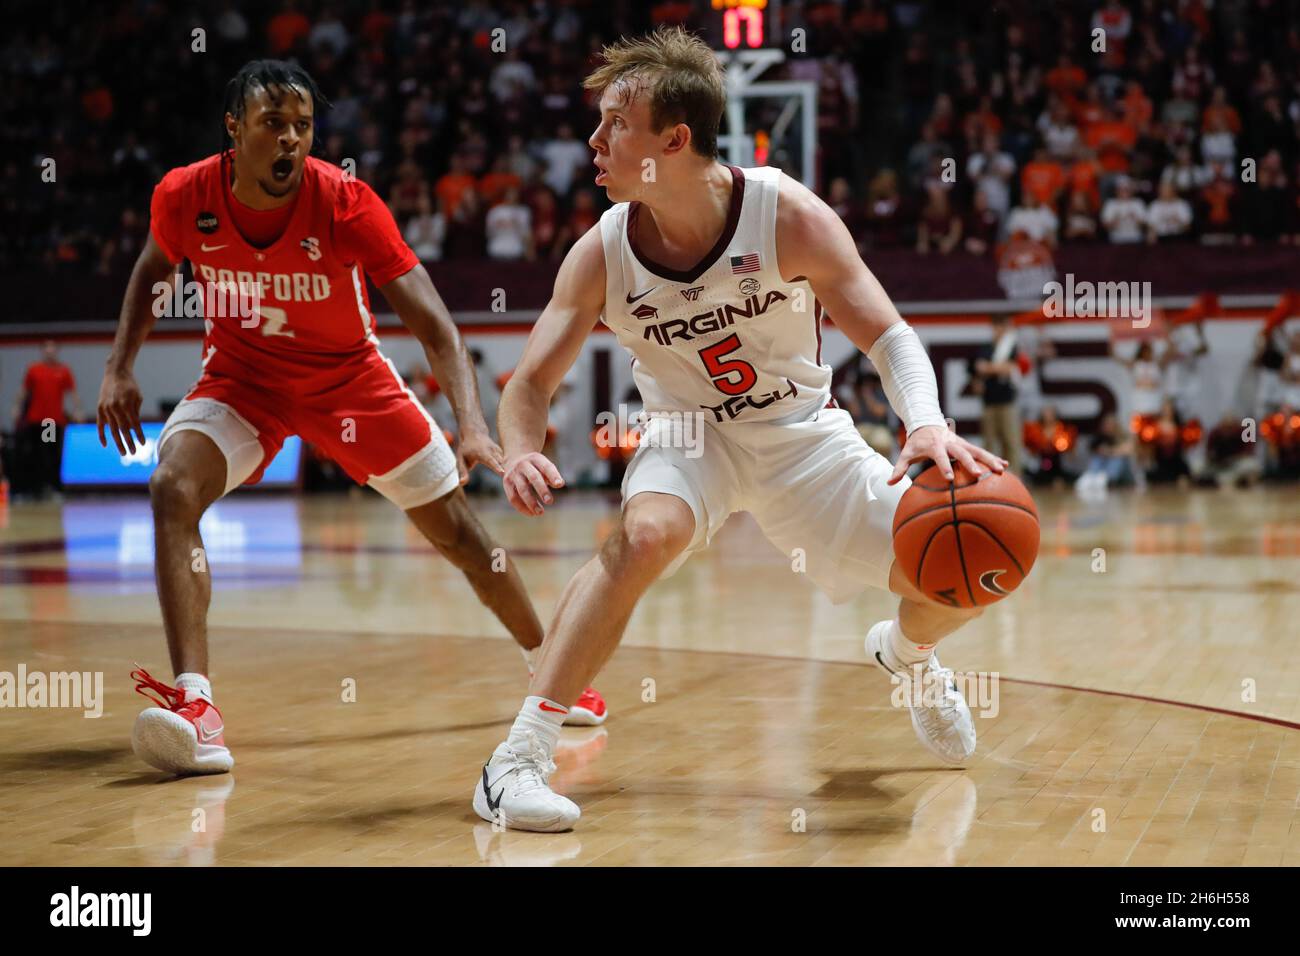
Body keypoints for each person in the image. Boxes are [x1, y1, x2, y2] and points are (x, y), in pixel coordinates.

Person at [470, 28, 1008, 832]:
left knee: (968, 564)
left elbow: (889, 335)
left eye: (616, 122)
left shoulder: (787, 215)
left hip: (802, 436)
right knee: (642, 538)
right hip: (689, 437)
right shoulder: (601, 252)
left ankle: (908, 653)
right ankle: (513, 763)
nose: (595, 140)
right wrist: (518, 451)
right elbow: (532, 384)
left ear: (674, 140)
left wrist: (925, 425)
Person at [96, 61, 606, 778]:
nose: (291, 139)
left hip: (349, 386)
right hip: (243, 382)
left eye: (303, 126)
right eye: (274, 123)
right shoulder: (186, 196)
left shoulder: (345, 202)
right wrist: (119, 366)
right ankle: (197, 707)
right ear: (234, 129)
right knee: (171, 488)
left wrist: (473, 426)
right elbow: (153, 273)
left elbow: (437, 327)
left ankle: (549, 668)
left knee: (462, 536)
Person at [15, 340, 82, 499]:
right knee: (34, 454)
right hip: (35, 419)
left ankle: (52, 487)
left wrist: (77, 410)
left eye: (52, 349)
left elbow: (72, 393)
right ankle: (34, 489)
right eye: (46, 348)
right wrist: (16, 408)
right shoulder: (34, 369)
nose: (49, 351)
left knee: (50, 453)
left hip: (50, 422)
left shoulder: (63, 371)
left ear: (56, 351)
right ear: (42, 351)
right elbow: (24, 391)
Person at [972, 314, 1024, 477]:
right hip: (989, 402)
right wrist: (997, 368)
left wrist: (990, 368)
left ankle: (1015, 478)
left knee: (1011, 441)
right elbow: (978, 368)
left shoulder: (1012, 347)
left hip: (1007, 402)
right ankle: (989, 477)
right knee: (989, 441)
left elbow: (1010, 368)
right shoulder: (986, 348)